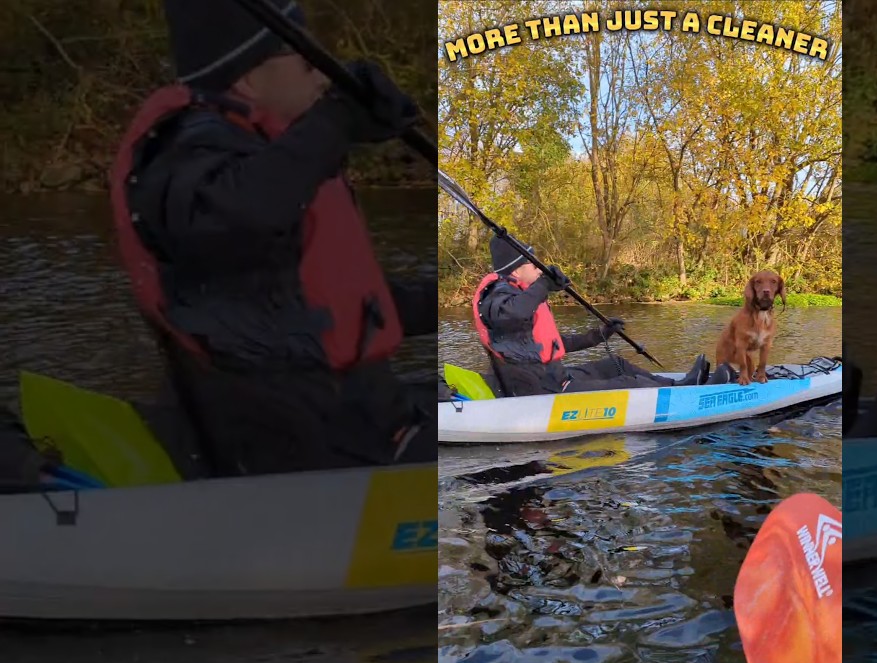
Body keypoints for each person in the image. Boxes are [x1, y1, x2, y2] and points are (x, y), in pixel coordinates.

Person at [107, 0, 433, 476]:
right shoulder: (182, 152)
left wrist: (441, 303)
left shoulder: (269, 155)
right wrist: (337, 122)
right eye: (307, 62)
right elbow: (238, 214)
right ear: (248, 78)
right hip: (285, 438)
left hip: (353, 413)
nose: (324, 77)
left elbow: (337, 307)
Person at [472, 234, 724, 396]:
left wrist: (599, 335)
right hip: (542, 390)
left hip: (555, 376)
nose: (538, 268)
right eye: (532, 263)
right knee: (628, 383)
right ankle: (687, 394)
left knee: (617, 364)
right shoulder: (496, 295)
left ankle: (681, 386)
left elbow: (552, 344)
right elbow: (509, 315)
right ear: (514, 271)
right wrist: (543, 287)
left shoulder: (520, 292)